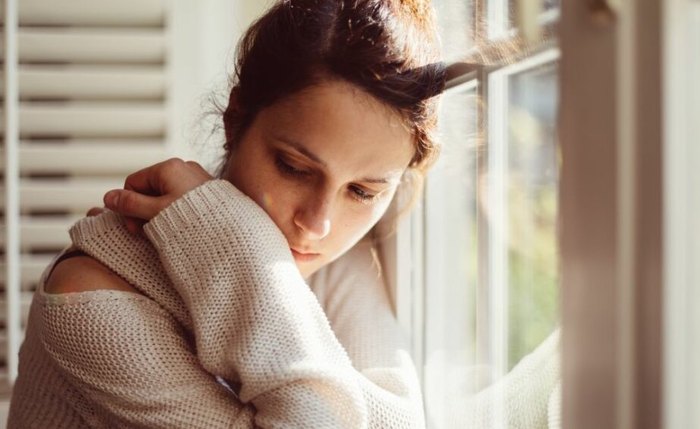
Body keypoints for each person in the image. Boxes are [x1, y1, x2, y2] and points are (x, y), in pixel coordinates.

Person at [8, 0, 445, 427]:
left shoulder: (329, 253)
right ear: (235, 120)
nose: (316, 224)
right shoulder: (89, 301)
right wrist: (238, 243)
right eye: (293, 168)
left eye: (363, 191)